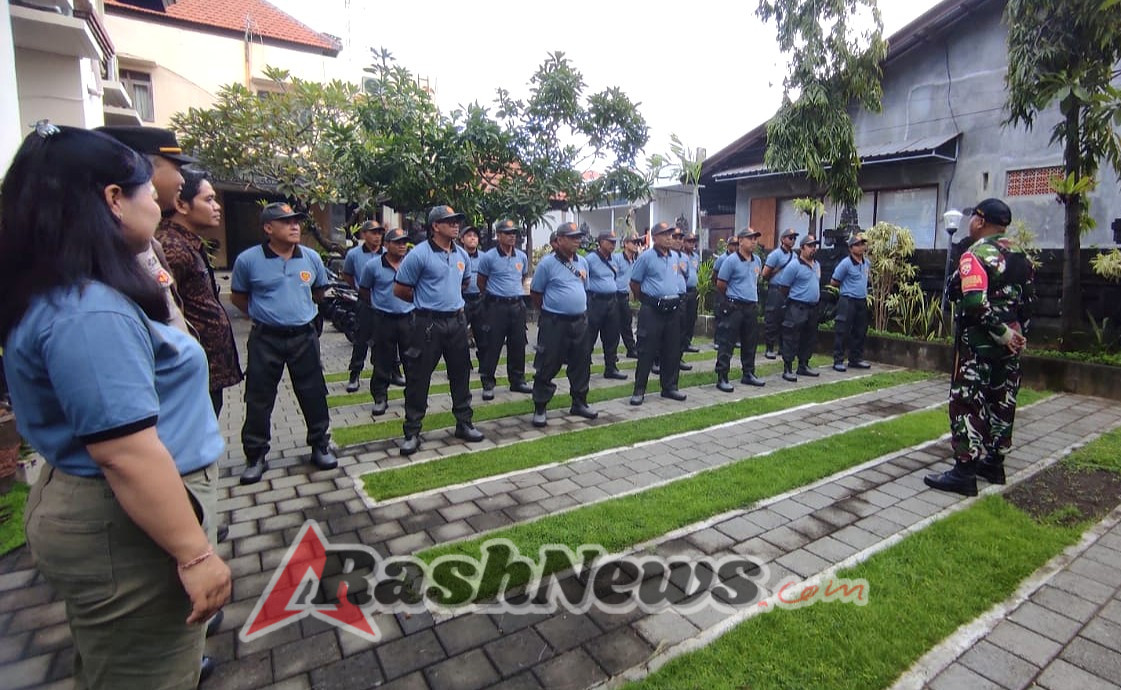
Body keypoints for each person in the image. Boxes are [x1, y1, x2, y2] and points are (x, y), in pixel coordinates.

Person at [0, 124, 231, 689]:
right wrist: (195, 554)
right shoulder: (89, 313)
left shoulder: (78, 287)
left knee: (116, 665)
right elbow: (125, 454)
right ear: (112, 200)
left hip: (118, 511)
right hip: (130, 524)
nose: (159, 197)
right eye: (147, 187)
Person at [925, 198, 1032, 497]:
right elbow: (1028, 304)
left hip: (979, 346)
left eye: (973, 217)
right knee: (1002, 400)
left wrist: (999, 333)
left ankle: (964, 470)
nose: (970, 221)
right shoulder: (1021, 255)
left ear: (981, 221)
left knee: (966, 403)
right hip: (1011, 346)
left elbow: (973, 302)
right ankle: (994, 463)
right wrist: (1015, 336)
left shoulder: (976, 254)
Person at [231, 202, 338, 484]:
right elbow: (239, 298)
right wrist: (267, 315)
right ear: (268, 228)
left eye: (296, 222)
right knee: (259, 396)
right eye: (286, 222)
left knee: (314, 392)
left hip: (304, 336)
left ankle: (319, 444)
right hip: (266, 338)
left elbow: (319, 292)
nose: (295, 227)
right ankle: (255, 455)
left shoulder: (311, 257)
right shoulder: (248, 260)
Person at [393, 205, 485, 455]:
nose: (456, 225)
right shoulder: (419, 255)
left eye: (457, 221)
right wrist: (428, 304)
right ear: (435, 226)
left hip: (456, 322)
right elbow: (400, 289)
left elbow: (464, 283)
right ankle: (412, 431)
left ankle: (464, 423)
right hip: (427, 324)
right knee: (418, 378)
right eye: (450, 221)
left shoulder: (461, 255)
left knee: (461, 373)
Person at [160, 168, 243, 415]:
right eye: (208, 200)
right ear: (181, 205)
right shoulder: (171, 248)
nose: (216, 206)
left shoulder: (188, 244)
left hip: (205, 369)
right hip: (187, 371)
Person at [529, 223, 598, 426]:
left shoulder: (583, 262)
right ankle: (540, 406)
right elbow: (536, 293)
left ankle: (579, 402)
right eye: (572, 237)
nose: (577, 240)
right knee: (548, 364)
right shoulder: (547, 264)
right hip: (555, 323)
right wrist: (552, 311)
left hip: (580, 322)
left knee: (581, 363)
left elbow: (583, 288)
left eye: (578, 236)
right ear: (559, 240)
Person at [629, 221, 688, 406]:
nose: (669, 238)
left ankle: (669, 387)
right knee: (646, 351)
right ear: (654, 238)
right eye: (665, 234)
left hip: (672, 312)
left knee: (671, 350)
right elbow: (634, 283)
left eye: (671, 234)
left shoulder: (674, 257)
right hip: (652, 310)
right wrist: (648, 301)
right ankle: (639, 390)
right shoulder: (646, 258)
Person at [358, 228, 414, 417]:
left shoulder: (410, 264)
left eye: (404, 242)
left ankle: (413, 397)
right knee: (382, 361)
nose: (402, 246)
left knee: (412, 360)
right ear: (386, 244)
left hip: (408, 318)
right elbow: (364, 291)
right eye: (397, 242)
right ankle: (380, 398)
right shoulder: (373, 266)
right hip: (383, 319)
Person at [477, 219, 532, 400]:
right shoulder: (489, 257)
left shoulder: (521, 257)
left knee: (518, 344)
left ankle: (517, 380)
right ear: (498, 235)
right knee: (492, 345)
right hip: (496, 306)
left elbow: (523, 276)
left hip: (517, 306)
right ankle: (488, 383)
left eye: (513, 233)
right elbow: (481, 282)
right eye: (507, 233)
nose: (511, 236)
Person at [714, 228, 766, 391]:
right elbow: (721, 283)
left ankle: (748, 373)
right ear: (741, 241)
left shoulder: (757, 260)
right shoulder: (731, 261)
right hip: (735, 306)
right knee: (727, 343)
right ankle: (722, 376)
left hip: (750, 307)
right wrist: (730, 300)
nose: (753, 242)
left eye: (755, 239)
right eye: (750, 238)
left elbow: (754, 281)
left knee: (750, 342)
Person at [342, 220, 385, 392]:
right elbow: (348, 275)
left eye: (379, 233)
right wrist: (359, 289)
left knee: (385, 340)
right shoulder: (354, 254)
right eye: (373, 232)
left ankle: (391, 372)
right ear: (363, 234)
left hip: (384, 303)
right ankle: (355, 374)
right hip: (365, 303)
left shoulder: (388, 252)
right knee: (361, 339)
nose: (377, 236)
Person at [778, 235, 822, 382]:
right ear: (802, 248)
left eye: (815, 246)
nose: (813, 249)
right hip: (797, 306)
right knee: (792, 337)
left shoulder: (817, 265)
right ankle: (788, 367)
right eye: (810, 246)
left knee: (809, 337)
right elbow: (784, 287)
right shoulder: (794, 265)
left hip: (813, 307)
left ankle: (803, 365)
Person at [586, 231, 628, 380]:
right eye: (609, 241)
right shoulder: (590, 259)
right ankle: (583, 367)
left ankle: (610, 367)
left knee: (612, 337)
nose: (612, 245)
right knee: (589, 336)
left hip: (612, 301)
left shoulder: (613, 259)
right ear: (601, 241)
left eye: (614, 242)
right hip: (596, 301)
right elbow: (583, 280)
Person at [829, 232, 872, 372]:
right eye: (857, 245)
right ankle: (838, 360)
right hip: (847, 300)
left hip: (861, 301)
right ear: (851, 248)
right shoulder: (846, 263)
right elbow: (834, 281)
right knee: (843, 330)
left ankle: (855, 358)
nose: (861, 247)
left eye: (863, 244)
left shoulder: (867, 263)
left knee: (860, 331)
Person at [762, 228, 799, 359]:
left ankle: (783, 348)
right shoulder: (775, 255)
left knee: (787, 320)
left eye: (794, 238)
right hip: (776, 290)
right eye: (790, 237)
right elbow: (765, 273)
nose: (793, 240)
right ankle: (769, 348)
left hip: (789, 291)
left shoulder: (795, 256)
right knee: (772, 318)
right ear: (783, 239)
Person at [458, 224, 485, 366]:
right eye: (469, 235)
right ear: (462, 239)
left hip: (479, 300)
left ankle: (485, 365)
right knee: (460, 336)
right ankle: (463, 365)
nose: (472, 238)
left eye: (475, 236)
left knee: (483, 335)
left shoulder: (485, 257)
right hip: (462, 299)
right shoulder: (457, 256)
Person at [615, 232, 642, 358]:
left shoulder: (636, 260)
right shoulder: (617, 258)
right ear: (626, 244)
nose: (637, 245)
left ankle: (631, 349)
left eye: (638, 243)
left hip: (625, 296)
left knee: (626, 322)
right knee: (612, 326)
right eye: (634, 242)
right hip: (615, 295)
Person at [680, 231, 702, 354]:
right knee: (682, 319)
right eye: (689, 241)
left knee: (691, 318)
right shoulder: (680, 256)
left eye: (694, 241)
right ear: (684, 242)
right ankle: (681, 343)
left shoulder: (696, 257)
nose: (692, 244)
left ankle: (688, 342)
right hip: (683, 291)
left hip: (693, 291)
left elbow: (696, 271)